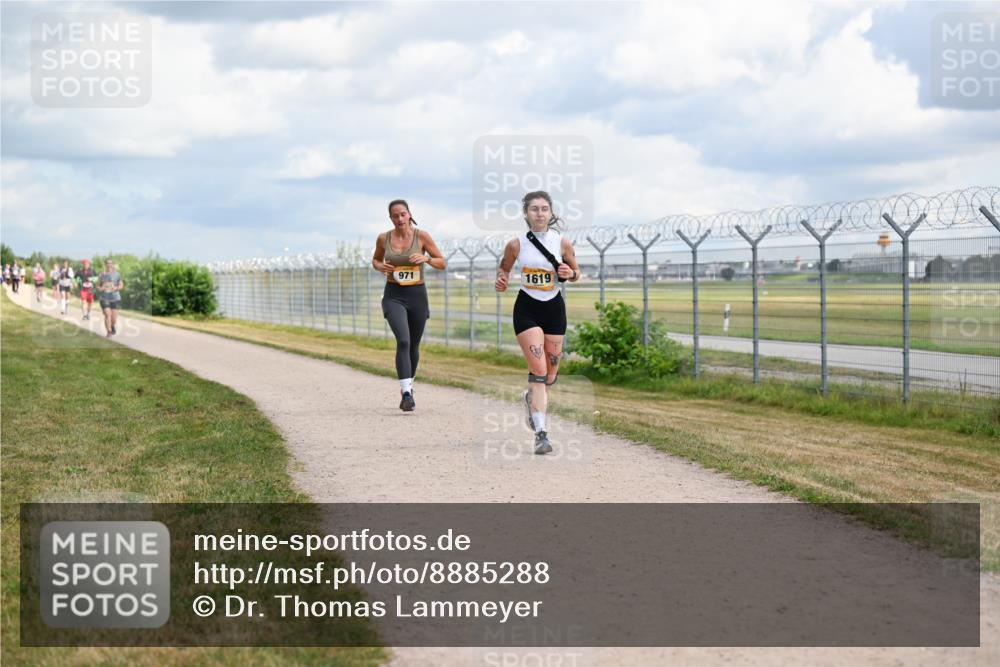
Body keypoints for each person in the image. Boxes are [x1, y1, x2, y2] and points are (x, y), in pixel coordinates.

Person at [494, 191, 581, 455]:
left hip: (554, 308)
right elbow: (504, 268)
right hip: (527, 308)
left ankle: (530, 399)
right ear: (526, 213)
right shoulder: (516, 244)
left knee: (551, 374)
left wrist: (570, 273)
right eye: (534, 209)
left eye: (544, 209)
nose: (540, 213)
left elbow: (576, 272)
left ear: (551, 213)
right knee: (538, 369)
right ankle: (541, 433)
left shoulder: (562, 243)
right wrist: (501, 279)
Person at [371, 199, 446, 411]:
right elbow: (375, 260)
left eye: (403, 214)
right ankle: (405, 393)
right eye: (395, 216)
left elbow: (442, 262)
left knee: (413, 344)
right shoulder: (383, 238)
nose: (400, 219)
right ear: (390, 218)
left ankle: (409, 387)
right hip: (394, 294)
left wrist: (426, 259)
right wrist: (380, 266)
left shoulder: (421, 236)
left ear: (409, 214)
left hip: (417, 295)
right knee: (403, 340)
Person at [98, 259, 124, 337]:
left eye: (111, 263)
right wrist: (101, 288)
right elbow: (98, 286)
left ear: (112, 264)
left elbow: (121, 285)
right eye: (107, 263)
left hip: (115, 298)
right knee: (107, 315)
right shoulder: (101, 275)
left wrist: (116, 288)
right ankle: (109, 332)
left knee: (114, 319)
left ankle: (112, 326)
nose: (109, 265)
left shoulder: (117, 274)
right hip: (104, 298)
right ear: (105, 265)